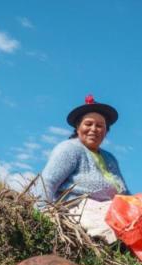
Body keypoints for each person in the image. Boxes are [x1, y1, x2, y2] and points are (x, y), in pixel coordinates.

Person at [36, 95, 129, 243]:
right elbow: (47, 181)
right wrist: (42, 213)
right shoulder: (70, 149)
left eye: (100, 126)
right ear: (78, 127)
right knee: (116, 232)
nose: (94, 129)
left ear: (106, 131)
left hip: (114, 209)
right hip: (81, 208)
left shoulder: (110, 158)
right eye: (88, 124)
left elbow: (125, 193)